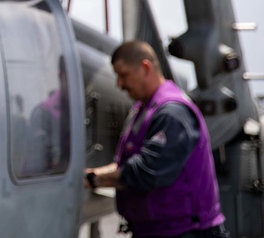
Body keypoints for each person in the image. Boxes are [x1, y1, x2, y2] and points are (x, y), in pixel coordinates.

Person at [85, 40, 228, 238]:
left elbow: (147, 172)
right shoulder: (142, 110)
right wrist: (90, 174)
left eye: (123, 75)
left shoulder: (172, 113)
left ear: (145, 68)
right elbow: (125, 165)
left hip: (185, 232)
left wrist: (94, 180)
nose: (119, 84)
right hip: (157, 231)